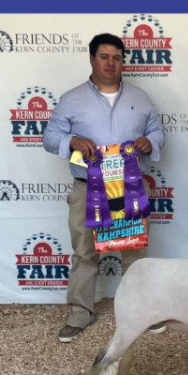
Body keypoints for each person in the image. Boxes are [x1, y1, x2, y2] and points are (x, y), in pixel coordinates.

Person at [43, 34, 167, 343]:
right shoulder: (71, 99)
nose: (111, 63)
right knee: (85, 253)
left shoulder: (140, 97)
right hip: (88, 188)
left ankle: (143, 310)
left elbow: (157, 131)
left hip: (130, 187)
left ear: (123, 61)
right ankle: (80, 313)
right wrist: (72, 140)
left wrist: (150, 141)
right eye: (104, 56)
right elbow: (49, 137)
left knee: (135, 252)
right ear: (91, 59)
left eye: (116, 57)